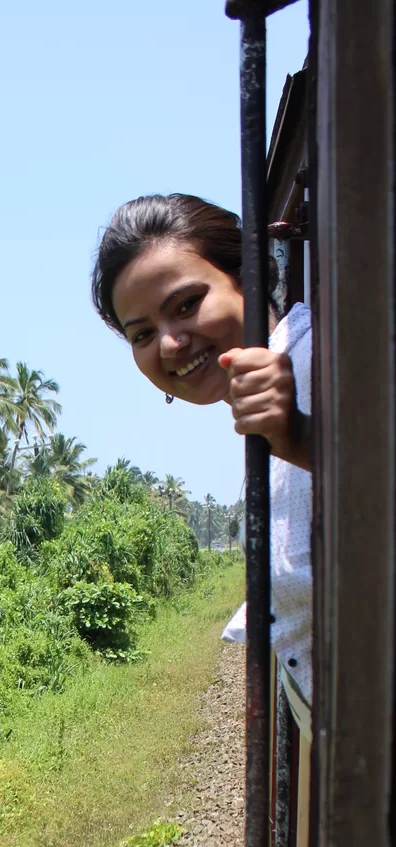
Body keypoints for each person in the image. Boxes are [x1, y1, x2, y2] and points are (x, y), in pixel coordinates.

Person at [91, 193, 313, 720]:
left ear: (250, 276)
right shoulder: (276, 387)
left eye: (187, 304)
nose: (169, 343)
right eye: (142, 333)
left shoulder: (325, 360)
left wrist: (303, 436)